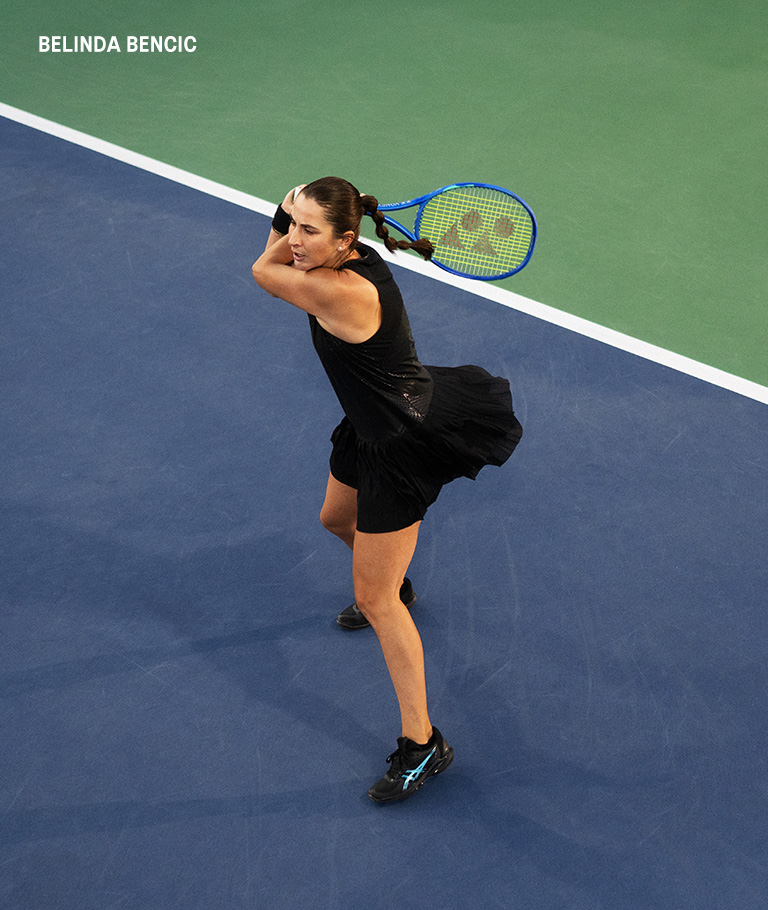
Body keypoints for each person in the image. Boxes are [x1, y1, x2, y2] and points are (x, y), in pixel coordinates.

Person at [251, 177, 522, 803]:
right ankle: (393, 577)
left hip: (402, 441)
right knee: (333, 520)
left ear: (345, 238)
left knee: (374, 603)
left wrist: (281, 204)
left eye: (308, 230)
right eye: (294, 225)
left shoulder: (331, 289)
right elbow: (283, 251)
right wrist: (295, 209)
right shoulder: (357, 253)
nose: (294, 240)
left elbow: (260, 269)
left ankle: (424, 744)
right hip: (373, 421)